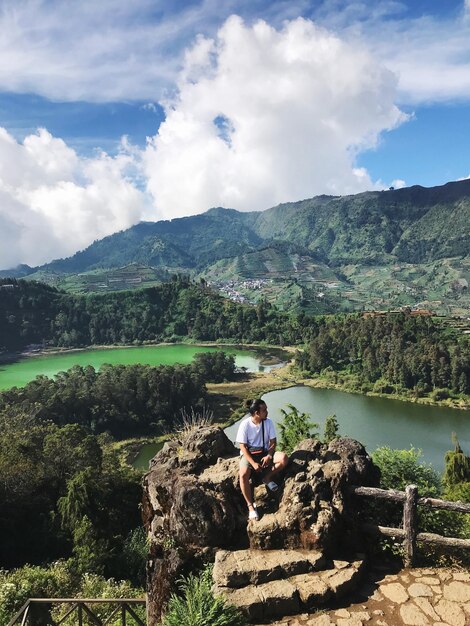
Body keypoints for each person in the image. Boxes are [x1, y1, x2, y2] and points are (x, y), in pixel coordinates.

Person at [236, 398, 288, 521]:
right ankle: (250, 507)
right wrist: (253, 463)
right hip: (249, 454)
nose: (267, 412)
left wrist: (269, 455)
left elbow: (273, 442)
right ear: (256, 413)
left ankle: (267, 477)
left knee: (284, 459)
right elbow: (242, 446)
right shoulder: (245, 424)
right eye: (264, 410)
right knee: (243, 474)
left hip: (265, 452)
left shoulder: (268, 422)